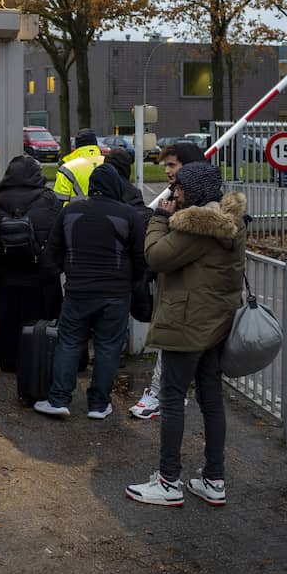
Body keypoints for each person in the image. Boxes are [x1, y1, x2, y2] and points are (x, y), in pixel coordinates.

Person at [125, 162, 246, 507]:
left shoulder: (197, 227)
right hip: (215, 324)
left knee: (172, 398)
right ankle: (214, 478)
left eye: (178, 188)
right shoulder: (229, 221)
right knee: (211, 401)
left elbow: (156, 256)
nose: (173, 193)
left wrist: (159, 219)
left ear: (192, 192)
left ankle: (168, 481)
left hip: (187, 323)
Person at [35, 163, 146, 419]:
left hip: (78, 290)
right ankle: (98, 404)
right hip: (116, 293)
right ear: (116, 186)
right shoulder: (128, 215)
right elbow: (141, 257)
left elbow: (52, 252)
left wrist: (65, 274)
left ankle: (59, 399)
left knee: (69, 343)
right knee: (108, 347)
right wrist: (131, 283)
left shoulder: (70, 212)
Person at [129, 141, 207, 420]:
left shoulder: (195, 210)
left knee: (173, 349)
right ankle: (165, 393)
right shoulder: (180, 198)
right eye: (165, 165)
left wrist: (161, 220)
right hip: (177, 293)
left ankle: (161, 395)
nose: (167, 171)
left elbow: (161, 253)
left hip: (188, 298)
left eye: (172, 165)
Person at [0, 155, 61, 372]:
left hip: (6, 271)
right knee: (37, 322)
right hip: (38, 273)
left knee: (7, 321)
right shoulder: (48, 199)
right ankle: (35, 362)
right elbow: (57, 234)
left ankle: (9, 363)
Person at [52, 129, 105, 202]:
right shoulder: (110, 163)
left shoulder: (67, 168)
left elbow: (59, 201)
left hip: (75, 212)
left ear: (77, 144)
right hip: (108, 212)